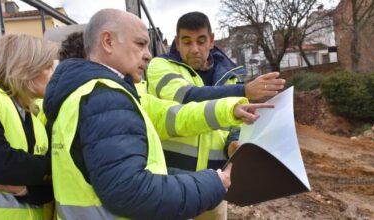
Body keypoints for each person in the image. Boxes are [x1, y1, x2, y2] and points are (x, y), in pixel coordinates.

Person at [44, 9, 273, 220]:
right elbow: (131, 191)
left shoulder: (88, 93)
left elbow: (171, 117)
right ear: (108, 41)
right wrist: (211, 183)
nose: (148, 55)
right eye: (140, 44)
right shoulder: (105, 96)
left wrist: (230, 113)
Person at [146, 11, 286, 220]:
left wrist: (233, 144)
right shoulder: (161, 66)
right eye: (187, 41)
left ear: (211, 41)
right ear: (177, 42)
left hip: (215, 185)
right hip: (172, 184)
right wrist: (243, 91)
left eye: (201, 41)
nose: (194, 49)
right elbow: (187, 97)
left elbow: (236, 125)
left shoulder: (228, 78)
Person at [0, 34, 58, 219]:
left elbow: (52, 190)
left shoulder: (34, 120)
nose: (54, 74)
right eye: (48, 66)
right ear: (24, 68)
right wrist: (56, 167)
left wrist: (25, 189)